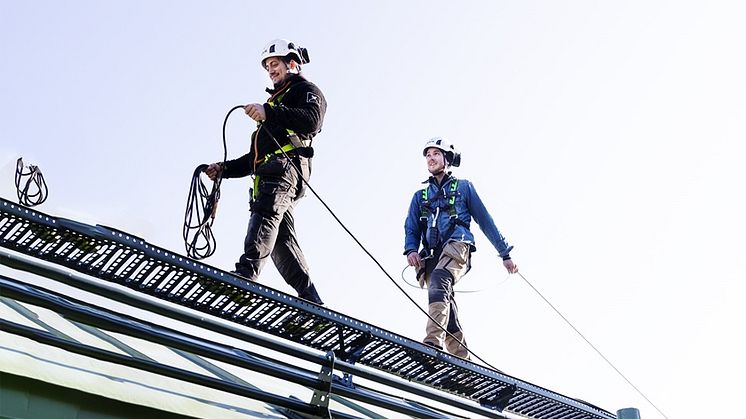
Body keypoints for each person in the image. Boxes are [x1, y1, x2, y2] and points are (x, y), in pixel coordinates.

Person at [205, 39, 326, 305]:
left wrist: (268, 111)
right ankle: (311, 297)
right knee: (282, 242)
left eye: (275, 64)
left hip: (286, 169)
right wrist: (223, 169)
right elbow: (254, 159)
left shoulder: (306, 91)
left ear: (291, 64)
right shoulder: (275, 105)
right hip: (270, 171)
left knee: (266, 212)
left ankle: (246, 273)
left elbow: (312, 121)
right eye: (268, 66)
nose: (271, 70)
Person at [404, 137, 518, 358]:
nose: (430, 158)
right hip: (431, 255)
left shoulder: (464, 187)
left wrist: (505, 254)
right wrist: (411, 249)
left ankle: (432, 342)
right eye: (428, 155)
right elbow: (411, 227)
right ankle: (461, 358)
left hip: (457, 246)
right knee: (445, 303)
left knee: (440, 280)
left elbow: (485, 220)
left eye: (436, 154)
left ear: (447, 158)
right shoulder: (420, 197)